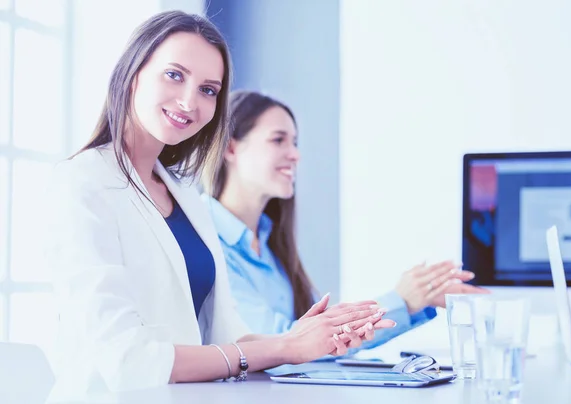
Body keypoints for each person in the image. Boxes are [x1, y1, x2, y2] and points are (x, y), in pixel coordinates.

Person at [43, 11, 394, 403]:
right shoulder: (81, 183)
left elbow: (226, 338)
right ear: (133, 72)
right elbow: (130, 360)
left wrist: (307, 340)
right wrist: (283, 348)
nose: (189, 100)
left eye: (209, 89)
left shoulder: (185, 197)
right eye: (174, 75)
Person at [201, 90, 489, 352]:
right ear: (231, 149)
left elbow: (327, 337)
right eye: (278, 140)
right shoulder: (205, 238)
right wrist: (401, 301)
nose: (296, 155)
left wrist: (416, 301)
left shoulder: (269, 242)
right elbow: (281, 344)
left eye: (295, 142)